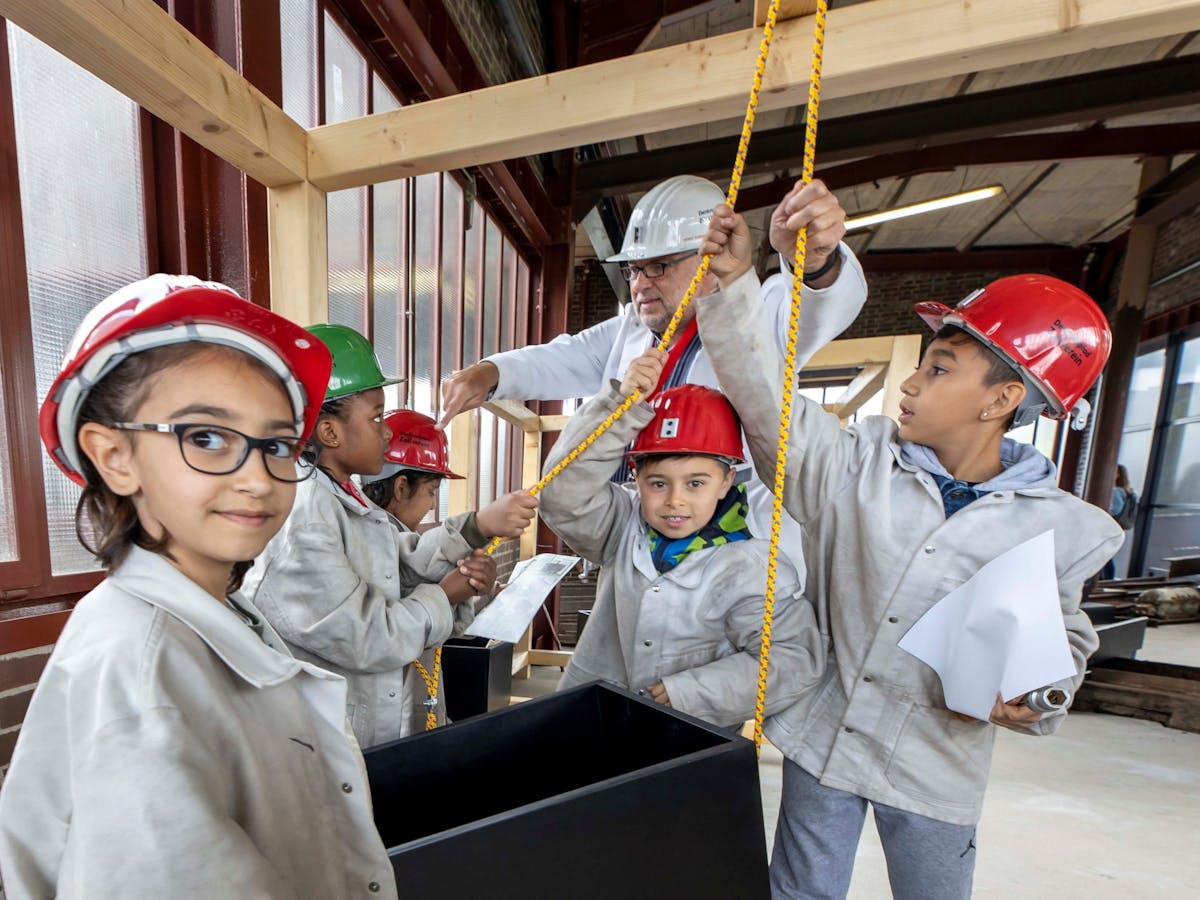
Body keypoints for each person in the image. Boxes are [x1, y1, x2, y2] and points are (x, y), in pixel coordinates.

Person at [698, 205, 1123, 899]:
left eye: (939, 369)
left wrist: (1039, 696)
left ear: (1001, 400)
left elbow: (1063, 637)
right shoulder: (855, 467)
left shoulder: (1055, 529)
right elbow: (766, 401)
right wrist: (737, 284)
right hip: (824, 738)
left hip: (936, 763)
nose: (911, 384)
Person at [0, 275, 399, 898]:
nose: (257, 479)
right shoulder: (142, 679)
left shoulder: (213, 615)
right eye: (206, 438)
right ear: (114, 456)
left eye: (274, 443)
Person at [439, 175, 867, 577]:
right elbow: (564, 357)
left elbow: (817, 307)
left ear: (711, 257)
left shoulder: (762, 308)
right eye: (634, 269)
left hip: (738, 538)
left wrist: (815, 264)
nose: (640, 284)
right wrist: (491, 372)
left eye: (659, 266)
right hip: (645, 526)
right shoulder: (633, 329)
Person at [242, 324, 535, 747]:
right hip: (327, 745)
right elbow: (369, 636)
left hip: (370, 732)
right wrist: (448, 593)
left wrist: (477, 527)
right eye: (377, 416)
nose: (385, 431)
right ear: (329, 432)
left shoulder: (345, 502)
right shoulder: (303, 518)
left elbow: (404, 560)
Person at [541, 352, 825, 728]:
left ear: (726, 481)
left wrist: (689, 692)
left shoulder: (751, 567)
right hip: (593, 722)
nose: (676, 500)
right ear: (636, 478)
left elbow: (792, 659)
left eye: (696, 483)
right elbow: (559, 493)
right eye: (658, 483)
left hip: (687, 733)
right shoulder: (620, 525)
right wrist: (618, 408)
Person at [359, 409, 521, 731]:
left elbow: (430, 600)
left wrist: (476, 588)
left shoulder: (393, 534)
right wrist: (479, 525)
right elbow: (414, 563)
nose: (433, 504)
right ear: (402, 487)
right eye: (432, 491)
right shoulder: (367, 538)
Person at [1102, 464, 1138, 579]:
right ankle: (1107, 578)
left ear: (1118, 475)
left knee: (1104, 555)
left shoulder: (1116, 491)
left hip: (1109, 527)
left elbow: (1115, 509)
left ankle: (1107, 578)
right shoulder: (1130, 492)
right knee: (1107, 554)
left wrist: (1101, 512)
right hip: (1120, 528)